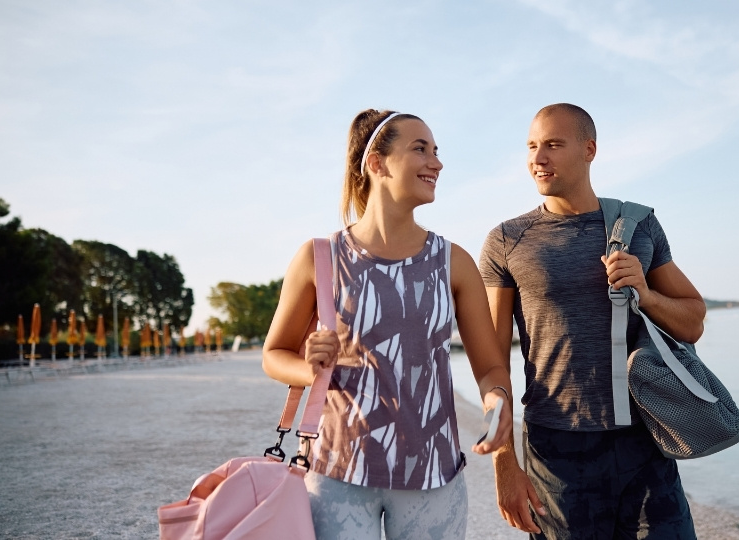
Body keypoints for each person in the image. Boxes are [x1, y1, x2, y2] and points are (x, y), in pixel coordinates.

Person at [263, 109, 514, 540]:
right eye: (420, 149)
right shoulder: (318, 257)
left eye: (436, 151)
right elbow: (274, 355)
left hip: (433, 476)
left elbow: (490, 367)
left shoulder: (454, 262)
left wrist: (497, 400)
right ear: (376, 163)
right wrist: (311, 369)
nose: (436, 162)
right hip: (336, 473)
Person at [478, 103, 706, 539]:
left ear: (589, 149)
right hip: (556, 452)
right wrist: (504, 463)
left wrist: (646, 293)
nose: (537, 157)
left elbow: (693, 320)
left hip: (646, 442)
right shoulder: (507, 240)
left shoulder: (639, 225)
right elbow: (492, 363)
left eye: (552, 144)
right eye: (531, 146)